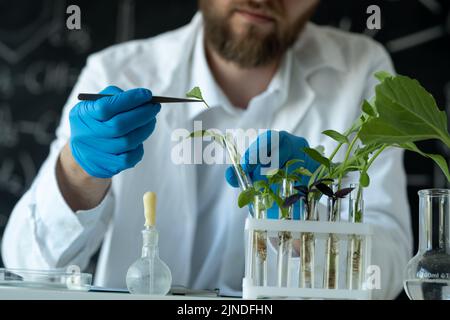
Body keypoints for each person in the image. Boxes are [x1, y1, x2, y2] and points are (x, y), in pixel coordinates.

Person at [2, 0, 412, 299]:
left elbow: (388, 264)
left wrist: (310, 219)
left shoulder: (361, 70)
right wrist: (79, 171)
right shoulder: (118, 71)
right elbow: (29, 266)